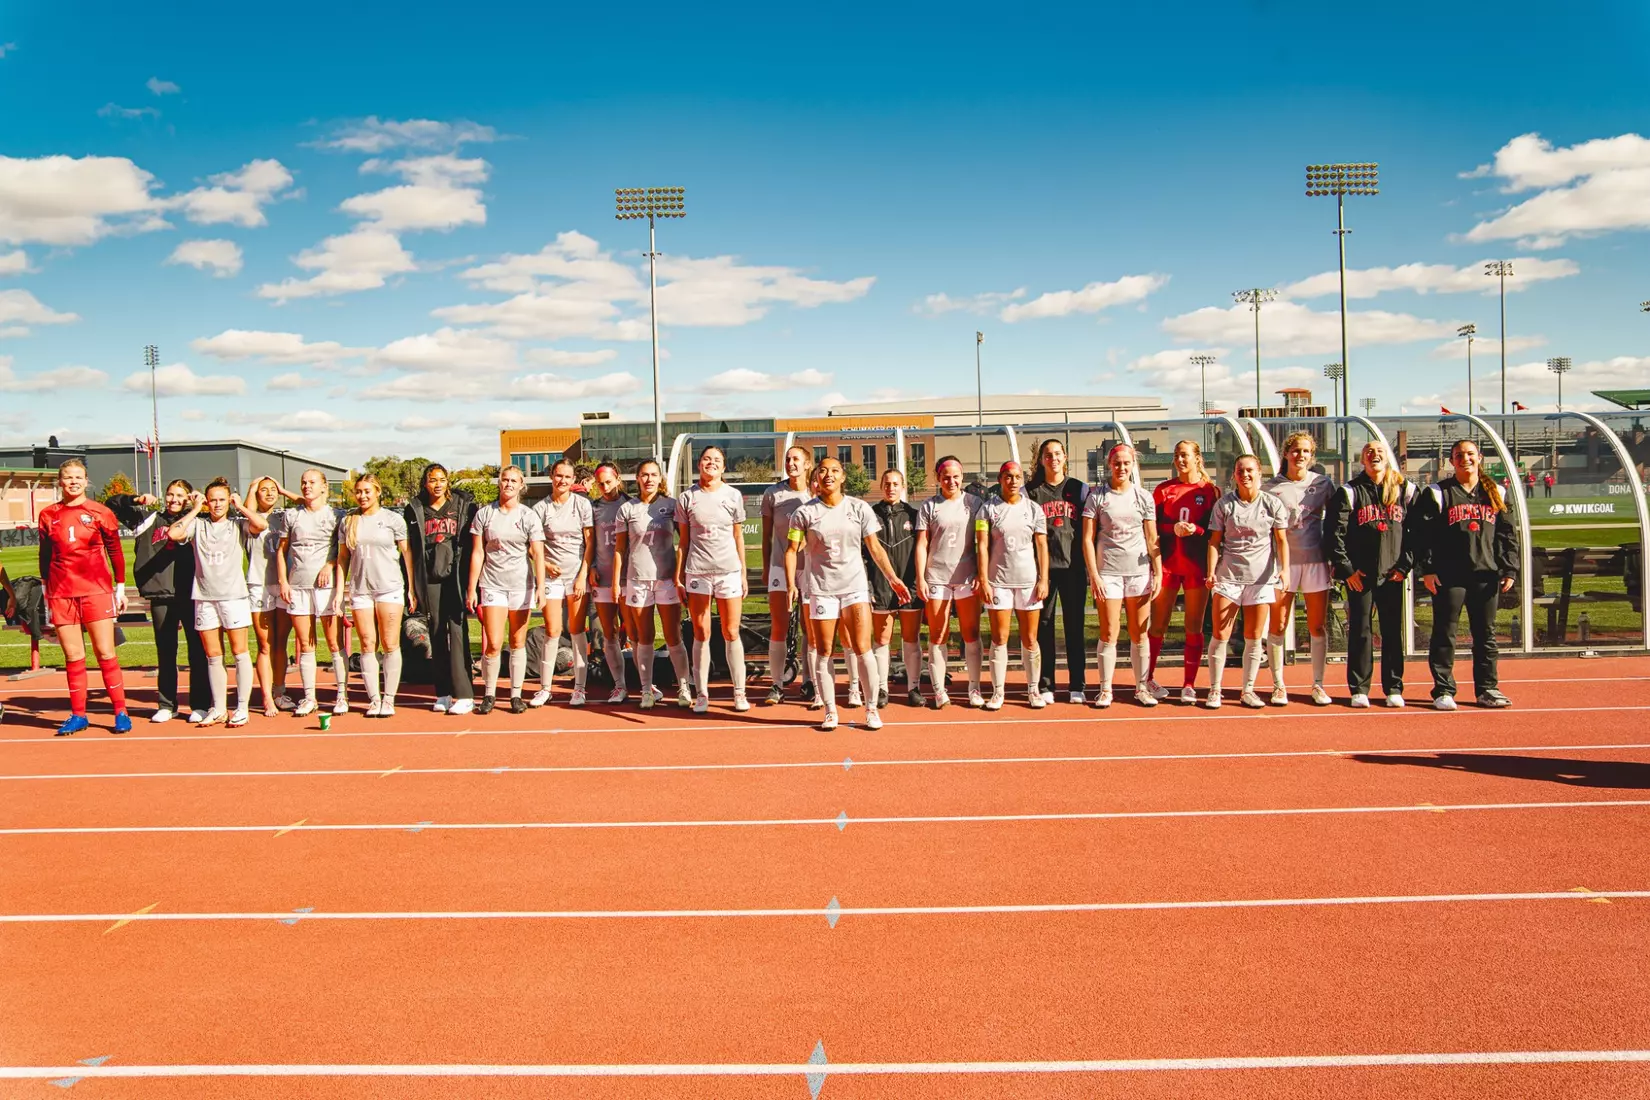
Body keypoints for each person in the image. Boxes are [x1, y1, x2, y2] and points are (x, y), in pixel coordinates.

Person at [785, 457, 910, 730]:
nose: (828, 475)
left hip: (854, 587)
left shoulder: (859, 508)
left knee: (863, 647)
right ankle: (830, 711)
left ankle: (871, 709)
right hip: (821, 590)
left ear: (843, 477)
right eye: (823, 471)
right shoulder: (804, 513)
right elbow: (791, 551)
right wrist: (791, 584)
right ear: (816, 477)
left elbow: (875, 548)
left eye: (834, 471)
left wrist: (893, 578)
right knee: (824, 650)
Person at [1414, 439, 1517, 710]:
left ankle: (1487, 689)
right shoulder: (1437, 493)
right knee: (1445, 633)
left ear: (1480, 458)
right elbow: (1423, 536)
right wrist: (1428, 569)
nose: (1465, 459)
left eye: (1470, 454)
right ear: (1451, 461)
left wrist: (1509, 568)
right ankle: (1443, 690)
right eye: (1459, 455)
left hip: (1485, 574)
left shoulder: (1496, 492)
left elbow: (1507, 534)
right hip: (1449, 575)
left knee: (1486, 634)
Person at [166, 477, 271, 727]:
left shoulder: (237, 524)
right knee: (213, 655)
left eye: (222, 500)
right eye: (212, 500)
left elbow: (261, 524)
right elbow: (173, 533)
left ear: (228, 500)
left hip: (233, 596)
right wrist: (195, 509)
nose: (217, 505)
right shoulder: (198, 525)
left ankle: (242, 707)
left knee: (239, 652)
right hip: (204, 597)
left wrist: (240, 506)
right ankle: (219, 708)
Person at [38, 459, 132, 735]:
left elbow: (115, 552)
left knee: (105, 652)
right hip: (61, 593)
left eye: (78, 477)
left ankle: (120, 711)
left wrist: (120, 588)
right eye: (68, 477)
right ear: (60, 481)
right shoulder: (47, 514)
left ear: (86, 481)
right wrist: (45, 592)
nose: (73, 482)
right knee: (73, 655)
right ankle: (79, 714)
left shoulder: (101, 512)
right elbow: (45, 555)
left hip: (96, 590)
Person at [106, 480, 210, 723]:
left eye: (180, 495)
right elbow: (111, 504)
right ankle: (166, 705)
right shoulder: (148, 518)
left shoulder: (198, 521)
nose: (174, 499)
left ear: (189, 498)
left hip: (192, 594)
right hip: (161, 594)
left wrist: (199, 504)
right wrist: (136, 499)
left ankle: (200, 704)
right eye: (170, 494)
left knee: (197, 652)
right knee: (166, 651)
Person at [1326, 441, 1417, 708]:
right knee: (1361, 631)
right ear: (1362, 460)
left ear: (1387, 458)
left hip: (1392, 575)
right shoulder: (1349, 491)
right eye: (1369, 452)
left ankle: (1393, 687)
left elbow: (1418, 533)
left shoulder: (1405, 490)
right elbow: (1334, 534)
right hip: (1360, 575)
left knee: (1392, 631)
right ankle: (1359, 688)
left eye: (1379, 451)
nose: (1374, 455)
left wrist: (1404, 566)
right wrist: (1347, 570)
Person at [1204, 455, 1290, 709]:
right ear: (1234, 475)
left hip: (1260, 580)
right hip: (1228, 579)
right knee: (1220, 634)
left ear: (1259, 473)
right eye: (1240, 470)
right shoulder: (1224, 505)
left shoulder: (1272, 503)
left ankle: (1248, 690)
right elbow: (1214, 542)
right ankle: (1215, 689)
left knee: (1253, 637)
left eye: (1250, 470)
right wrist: (1211, 572)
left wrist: (1284, 570)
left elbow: (1281, 541)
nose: (1245, 475)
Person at [1081, 445, 1162, 708]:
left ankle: (1142, 687)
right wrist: (1094, 575)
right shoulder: (1097, 496)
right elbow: (1087, 539)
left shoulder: (1143, 497)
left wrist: (1158, 571)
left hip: (1139, 573)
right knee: (1109, 631)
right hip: (1108, 574)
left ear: (1133, 465)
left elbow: (1152, 538)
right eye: (1117, 463)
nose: (1122, 467)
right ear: (1109, 464)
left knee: (1140, 633)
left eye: (1126, 463)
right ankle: (1105, 689)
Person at [1262, 432, 1337, 706]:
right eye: (1295, 450)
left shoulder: (1322, 484)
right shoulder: (1270, 488)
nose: (1300, 455)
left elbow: (1337, 522)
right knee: (1278, 625)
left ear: (1312, 455)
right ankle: (1278, 685)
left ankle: (1318, 684)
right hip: (1283, 564)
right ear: (1286, 453)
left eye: (1306, 451)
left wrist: (1336, 559)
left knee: (1317, 625)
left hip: (1316, 561)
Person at [675, 445, 751, 713]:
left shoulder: (733, 495)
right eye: (707, 459)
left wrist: (742, 573)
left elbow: (738, 536)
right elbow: (683, 542)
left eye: (717, 459)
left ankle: (739, 693)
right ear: (699, 464)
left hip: (728, 571)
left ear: (724, 466)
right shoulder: (687, 498)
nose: (711, 463)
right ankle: (702, 693)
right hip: (698, 572)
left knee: (731, 631)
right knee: (701, 632)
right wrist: (679, 576)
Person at [335, 473, 416, 717]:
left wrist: (411, 589)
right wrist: (339, 593)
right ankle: (374, 699)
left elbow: (407, 554)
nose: (362, 496)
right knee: (367, 643)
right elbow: (342, 558)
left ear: (378, 492)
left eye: (367, 491)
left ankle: (389, 699)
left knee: (390, 643)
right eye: (358, 492)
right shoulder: (348, 521)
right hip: (361, 590)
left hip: (389, 588)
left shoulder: (393, 519)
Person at [466, 465, 545, 714]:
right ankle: (489, 693)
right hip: (492, 584)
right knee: (493, 643)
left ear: (521, 485)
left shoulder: (529, 516)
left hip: (521, 585)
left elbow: (538, 553)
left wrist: (541, 586)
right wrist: (472, 588)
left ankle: (515, 695)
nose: (508, 484)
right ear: (499, 483)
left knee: (517, 641)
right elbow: (478, 553)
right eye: (505, 479)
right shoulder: (485, 514)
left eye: (513, 480)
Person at [1146, 440, 1218, 705]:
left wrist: (1195, 530)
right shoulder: (1164, 490)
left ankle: (1189, 684)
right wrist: (1172, 529)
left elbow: (1214, 532)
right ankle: (1147, 678)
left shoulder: (1209, 491)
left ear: (1197, 458)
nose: (1180, 460)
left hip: (1196, 567)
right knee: (1158, 625)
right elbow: (1151, 527)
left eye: (1185, 455)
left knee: (1193, 626)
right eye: (1177, 455)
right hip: (1167, 566)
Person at [614, 458, 688, 708]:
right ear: (637, 478)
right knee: (643, 637)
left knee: (673, 635)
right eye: (644, 475)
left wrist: (681, 576)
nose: (649, 479)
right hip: (637, 580)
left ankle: (684, 687)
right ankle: (646, 690)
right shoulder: (627, 509)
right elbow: (619, 549)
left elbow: (685, 542)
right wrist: (617, 583)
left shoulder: (671, 505)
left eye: (653, 475)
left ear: (660, 478)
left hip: (666, 580)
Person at [976, 460, 1049, 710]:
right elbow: (982, 546)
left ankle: (1033, 690)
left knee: (1030, 639)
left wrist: (1043, 579)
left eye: (1017, 477)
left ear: (1022, 480)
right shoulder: (987, 509)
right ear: (1000, 480)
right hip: (998, 583)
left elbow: (1041, 546)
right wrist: (984, 580)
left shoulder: (1034, 509)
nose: (1013, 481)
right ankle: (998, 692)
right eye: (1008, 476)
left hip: (1028, 582)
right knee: (999, 638)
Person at [914, 456, 986, 708]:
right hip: (937, 578)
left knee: (971, 633)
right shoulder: (929, 506)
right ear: (938, 478)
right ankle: (939, 691)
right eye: (946, 477)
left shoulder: (974, 503)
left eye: (956, 476)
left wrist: (981, 574)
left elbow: (983, 541)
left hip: (967, 578)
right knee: (938, 634)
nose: (951, 481)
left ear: (962, 476)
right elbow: (922, 543)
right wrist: (921, 577)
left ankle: (974, 688)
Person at [405, 463, 477, 715]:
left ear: (448, 481)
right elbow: (409, 549)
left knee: (457, 631)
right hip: (430, 577)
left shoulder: (463, 504)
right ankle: (443, 693)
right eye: (432, 480)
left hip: (455, 577)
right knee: (436, 632)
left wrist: (472, 583)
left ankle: (465, 694)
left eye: (442, 479)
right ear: (425, 483)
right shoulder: (415, 508)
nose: (437, 484)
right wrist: (412, 587)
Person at [276, 469, 345, 718]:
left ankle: (342, 695)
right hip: (298, 586)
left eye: (312, 482)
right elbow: (282, 551)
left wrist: (330, 564)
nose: (307, 486)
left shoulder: (337, 516)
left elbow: (343, 552)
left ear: (324, 487)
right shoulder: (291, 515)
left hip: (326, 587)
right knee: (306, 644)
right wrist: (284, 582)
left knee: (334, 642)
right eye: (303, 482)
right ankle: (309, 697)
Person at [1026, 439, 1089, 704]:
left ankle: (1077, 684)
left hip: (1073, 567)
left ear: (1065, 457)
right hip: (1044, 570)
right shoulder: (1032, 492)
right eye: (1048, 455)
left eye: (1057, 454)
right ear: (1041, 460)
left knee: (1075, 625)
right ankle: (1046, 684)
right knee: (1044, 626)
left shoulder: (1080, 489)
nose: (1053, 459)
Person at [532, 460, 595, 707]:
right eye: (559, 476)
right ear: (552, 476)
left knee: (577, 629)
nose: (563, 481)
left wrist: (582, 575)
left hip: (576, 576)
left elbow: (590, 543)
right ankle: (545, 688)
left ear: (573, 480)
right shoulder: (540, 508)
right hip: (552, 579)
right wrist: (546, 565)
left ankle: (579, 689)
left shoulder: (582, 504)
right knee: (552, 630)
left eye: (568, 477)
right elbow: (533, 547)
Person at [869, 467, 925, 707]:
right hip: (881, 586)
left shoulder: (914, 515)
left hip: (909, 585)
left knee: (911, 638)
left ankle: (913, 687)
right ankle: (881, 688)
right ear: (881, 486)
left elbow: (923, 550)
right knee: (882, 639)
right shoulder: (871, 515)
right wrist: (869, 585)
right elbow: (865, 552)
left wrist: (918, 581)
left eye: (895, 484)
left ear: (903, 487)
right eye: (887, 483)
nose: (891, 488)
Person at [760, 447, 813, 705]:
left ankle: (809, 682)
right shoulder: (773, 493)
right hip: (780, 567)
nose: (791, 463)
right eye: (788, 459)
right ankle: (777, 684)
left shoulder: (816, 492)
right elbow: (766, 535)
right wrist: (767, 567)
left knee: (810, 626)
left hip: (811, 568)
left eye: (796, 459)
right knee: (779, 625)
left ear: (807, 464)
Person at [246, 476, 298, 716]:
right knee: (265, 644)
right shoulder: (247, 519)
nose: (269, 493)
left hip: (284, 584)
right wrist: (251, 487)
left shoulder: (284, 516)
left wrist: (283, 490)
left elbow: (305, 502)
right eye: (263, 490)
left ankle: (279, 691)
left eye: (272, 490)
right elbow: (249, 514)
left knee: (281, 642)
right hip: (260, 584)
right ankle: (266, 696)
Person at [589, 462, 633, 704]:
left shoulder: (631, 504)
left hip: (629, 578)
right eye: (600, 483)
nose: (605, 487)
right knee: (609, 633)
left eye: (608, 482)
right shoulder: (593, 508)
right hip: (603, 579)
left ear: (618, 479)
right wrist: (592, 567)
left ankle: (646, 683)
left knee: (636, 633)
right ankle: (619, 685)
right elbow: (589, 543)